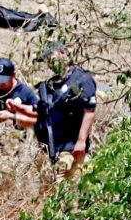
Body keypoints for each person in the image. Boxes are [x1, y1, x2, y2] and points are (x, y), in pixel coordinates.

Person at [8, 41, 97, 180]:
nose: (49, 62)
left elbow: (89, 111)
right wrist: (18, 107)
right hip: (53, 149)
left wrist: (81, 142)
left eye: (50, 57)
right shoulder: (50, 85)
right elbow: (41, 109)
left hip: (72, 149)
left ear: (62, 53)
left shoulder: (81, 79)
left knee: (69, 190)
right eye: (46, 59)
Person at [0, 57, 38, 128]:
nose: (0, 83)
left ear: (13, 75)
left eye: (3, 80)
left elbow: (38, 117)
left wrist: (11, 116)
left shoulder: (26, 93)